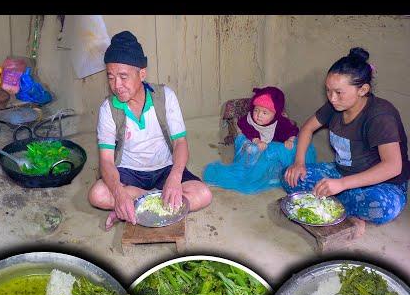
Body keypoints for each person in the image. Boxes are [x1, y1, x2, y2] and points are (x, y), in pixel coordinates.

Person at [88, 31, 212, 230]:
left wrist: (174, 177)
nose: (116, 85)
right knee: (97, 194)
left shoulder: (165, 97)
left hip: (164, 169)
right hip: (128, 172)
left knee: (203, 194)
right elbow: (106, 161)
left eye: (123, 77)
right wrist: (119, 194)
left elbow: (180, 143)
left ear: (142, 74)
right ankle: (157, 202)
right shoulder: (108, 109)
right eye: (110, 77)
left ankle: (137, 205)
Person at [283, 47, 409, 224]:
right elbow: (307, 129)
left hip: (384, 183)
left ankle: (342, 207)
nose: (332, 98)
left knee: (381, 207)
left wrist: (341, 185)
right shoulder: (335, 106)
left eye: (338, 92)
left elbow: (393, 167)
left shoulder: (380, 116)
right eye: (328, 91)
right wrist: (299, 163)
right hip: (342, 172)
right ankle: (346, 208)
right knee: (290, 178)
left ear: (363, 89)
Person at [203, 86, 315, 194]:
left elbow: (293, 130)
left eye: (265, 113)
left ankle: (275, 173)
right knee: (253, 154)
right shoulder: (248, 120)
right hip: (259, 151)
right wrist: (256, 140)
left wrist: (290, 140)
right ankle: (259, 173)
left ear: (275, 114)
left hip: (271, 150)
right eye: (256, 110)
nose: (258, 116)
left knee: (293, 148)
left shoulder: (281, 122)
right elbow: (244, 128)